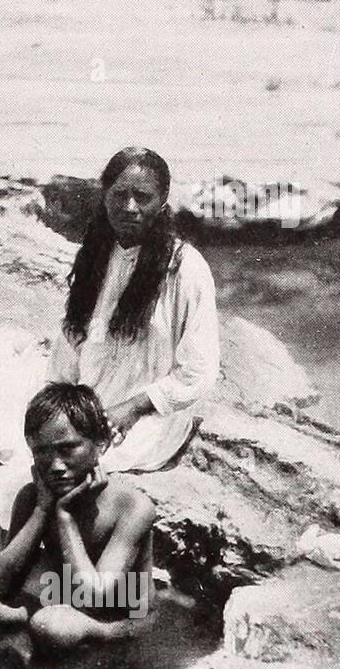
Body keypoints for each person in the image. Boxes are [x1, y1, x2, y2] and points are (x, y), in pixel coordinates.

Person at [47, 147, 220, 473]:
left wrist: (132, 408)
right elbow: (70, 345)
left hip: (151, 418)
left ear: (163, 202)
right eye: (119, 195)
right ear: (104, 197)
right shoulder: (95, 255)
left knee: (79, 465)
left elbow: (199, 371)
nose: (130, 207)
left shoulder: (186, 269)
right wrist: (61, 404)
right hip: (90, 403)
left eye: (142, 197)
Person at [0, 383, 157, 652]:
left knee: (53, 627)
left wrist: (65, 518)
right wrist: (42, 509)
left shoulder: (132, 506)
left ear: (101, 445)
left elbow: (94, 599)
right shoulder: (33, 496)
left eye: (68, 449)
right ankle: (32, 622)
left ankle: (90, 633)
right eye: (42, 451)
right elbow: (1, 582)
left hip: (118, 617)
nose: (55, 466)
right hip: (65, 600)